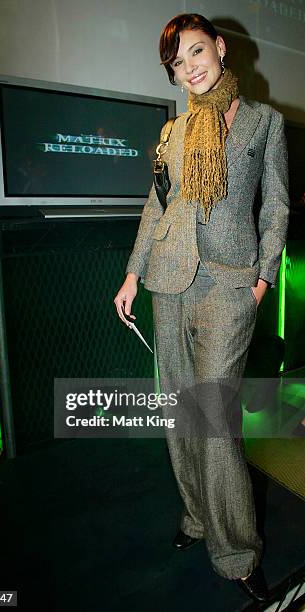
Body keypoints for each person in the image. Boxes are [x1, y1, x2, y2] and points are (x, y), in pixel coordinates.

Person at [114, 13, 289, 604]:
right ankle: (197, 517)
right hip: (168, 280)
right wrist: (133, 274)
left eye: (195, 52)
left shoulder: (263, 122)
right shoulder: (172, 134)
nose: (188, 68)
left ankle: (236, 550)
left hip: (228, 288)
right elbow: (154, 208)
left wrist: (262, 279)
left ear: (219, 47)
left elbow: (277, 208)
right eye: (176, 63)